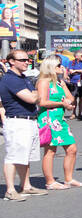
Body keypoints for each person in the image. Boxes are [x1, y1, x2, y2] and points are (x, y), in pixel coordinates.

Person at [2, 49, 47, 201]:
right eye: (22, 60)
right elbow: (32, 98)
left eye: (27, 60)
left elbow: (36, 96)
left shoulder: (23, 78)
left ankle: (26, 186)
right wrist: (35, 95)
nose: (26, 62)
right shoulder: (11, 79)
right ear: (11, 62)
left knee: (24, 156)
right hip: (17, 121)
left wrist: (35, 95)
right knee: (13, 156)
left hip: (29, 120)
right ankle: (9, 190)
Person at [36, 55, 82, 190]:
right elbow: (43, 102)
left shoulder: (58, 82)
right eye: (58, 66)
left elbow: (71, 99)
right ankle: (50, 181)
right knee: (50, 150)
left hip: (59, 118)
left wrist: (65, 95)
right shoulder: (44, 82)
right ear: (50, 67)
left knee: (72, 148)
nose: (61, 68)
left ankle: (69, 179)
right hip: (49, 118)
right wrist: (62, 103)